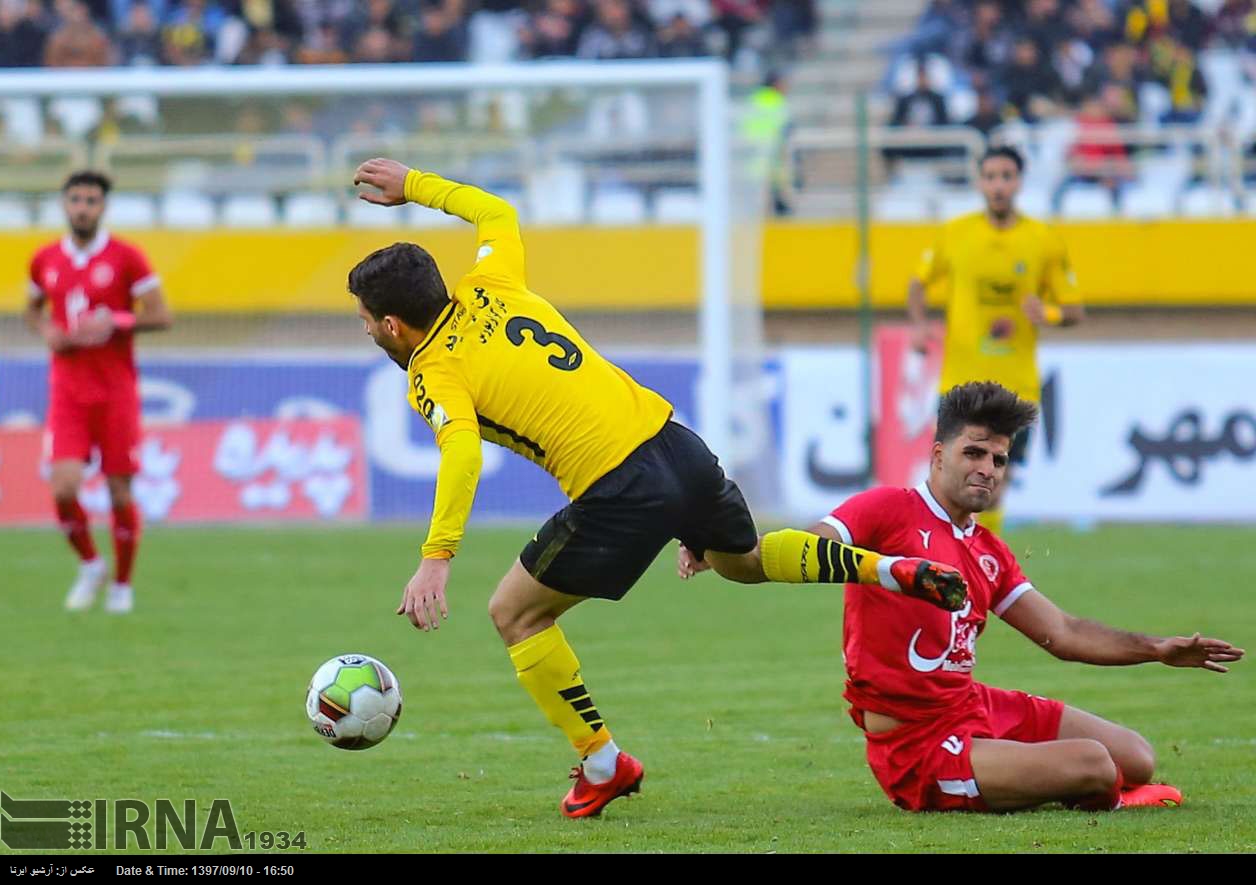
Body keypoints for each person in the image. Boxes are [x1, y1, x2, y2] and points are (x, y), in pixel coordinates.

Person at [346, 157, 969, 818]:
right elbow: (497, 213)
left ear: (392, 324)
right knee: (747, 561)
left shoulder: (431, 372)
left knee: (516, 614)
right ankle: (888, 569)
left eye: (364, 317)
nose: (363, 327)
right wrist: (414, 185)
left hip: (617, 487)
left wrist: (436, 559)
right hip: (677, 443)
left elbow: (462, 451)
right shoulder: (491, 281)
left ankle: (603, 761)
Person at [685, 381, 1244, 813]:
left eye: (999, 460)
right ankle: (1096, 794)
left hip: (970, 707)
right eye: (974, 452)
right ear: (937, 454)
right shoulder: (886, 510)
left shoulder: (988, 551)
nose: (987, 469)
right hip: (915, 746)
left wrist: (1159, 649)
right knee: (1096, 766)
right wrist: (725, 548)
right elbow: (804, 551)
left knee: (1136, 757)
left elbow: (1066, 634)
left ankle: (1075, 781)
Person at [907, 145, 1083, 536]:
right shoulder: (955, 234)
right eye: (991, 176)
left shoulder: (1043, 240)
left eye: (1006, 176)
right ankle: (938, 556)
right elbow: (918, 283)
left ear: (1019, 182)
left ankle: (982, 565)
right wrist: (919, 327)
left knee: (994, 481)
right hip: (961, 381)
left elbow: (1074, 309)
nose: (998, 185)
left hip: (1014, 385)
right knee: (944, 479)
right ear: (980, 182)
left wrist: (1049, 314)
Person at [25, 170, 173, 614]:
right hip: (67, 391)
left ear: (103, 206)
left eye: (91, 200)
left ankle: (122, 586)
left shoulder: (127, 257)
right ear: (64, 204)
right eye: (75, 199)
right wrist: (48, 329)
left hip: (115, 391)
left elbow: (162, 315)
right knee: (64, 487)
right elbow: (31, 308)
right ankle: (91, 564)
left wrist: (119, 322)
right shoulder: (45, 259)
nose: (82, 207)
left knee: (119, 492)